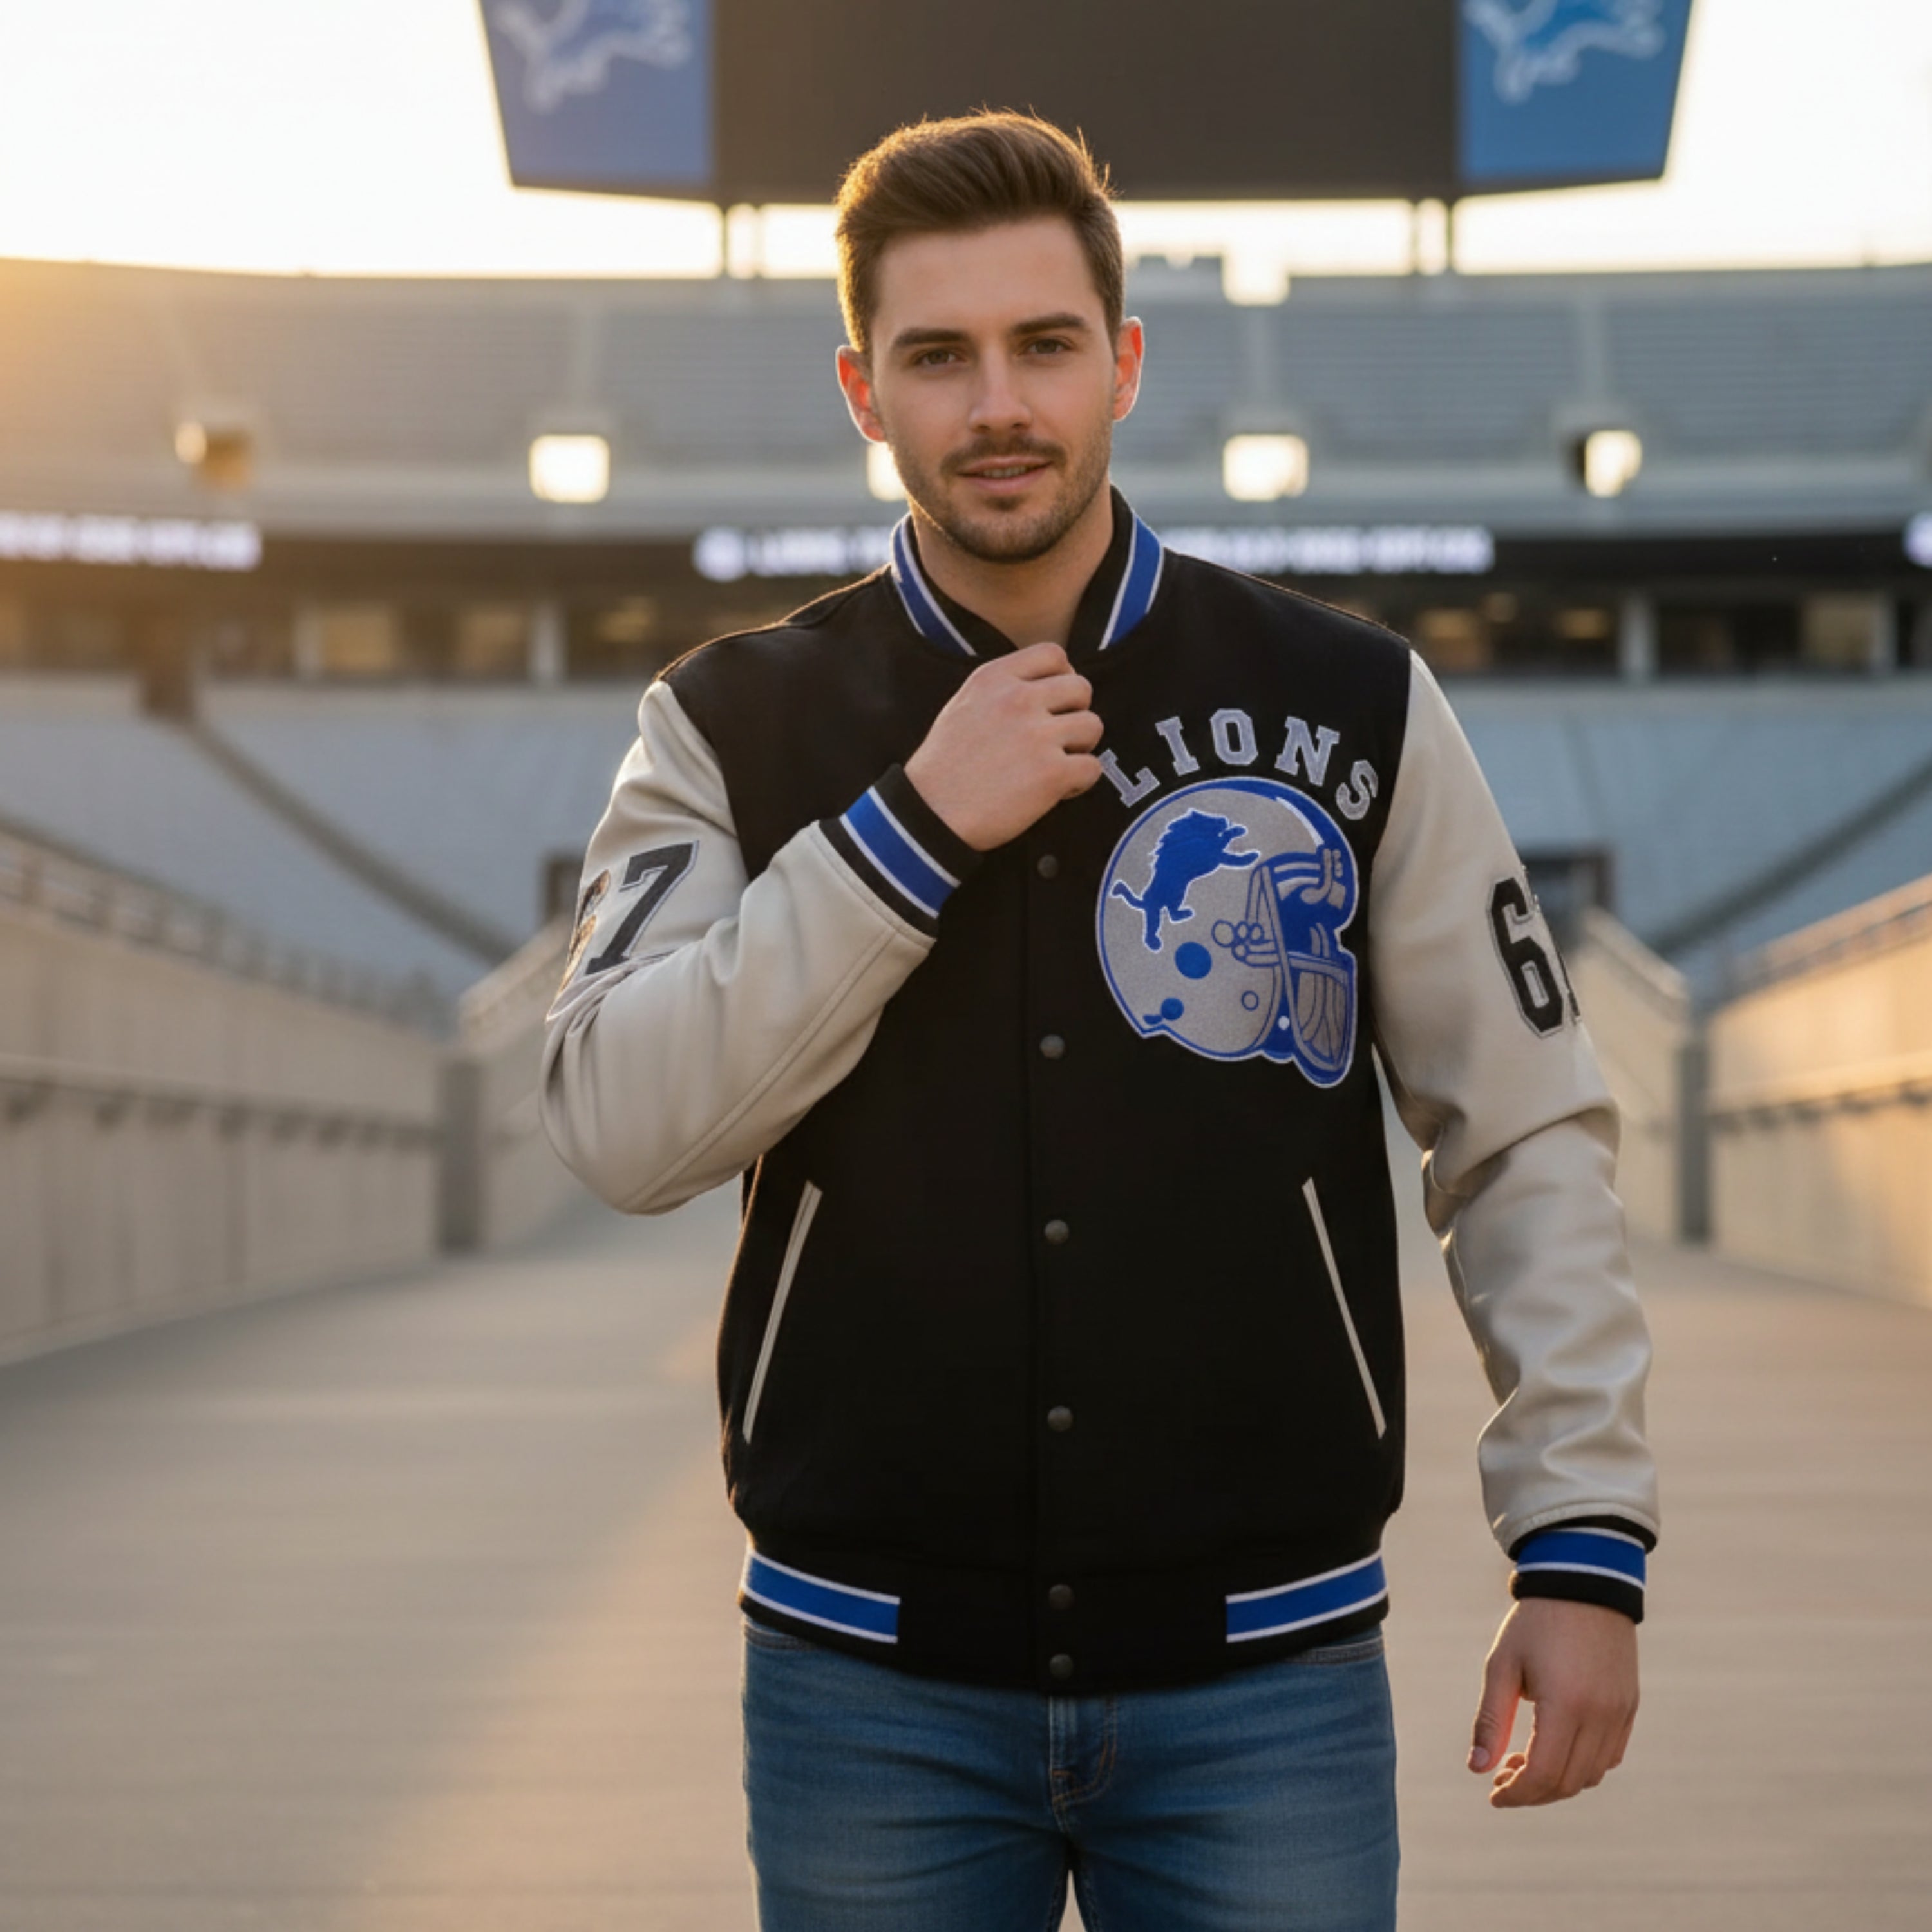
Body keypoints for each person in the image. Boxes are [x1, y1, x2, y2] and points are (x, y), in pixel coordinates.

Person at [542, 111, 1658, 1932]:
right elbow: (615, 1123)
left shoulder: (1346, 699)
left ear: (1125, 362)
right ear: (863, 391)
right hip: (867, 1681)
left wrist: (1583, 1545)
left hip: (1265, 1674)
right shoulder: (728, 724)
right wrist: (907, 834)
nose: (999, 402)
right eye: (940, 355)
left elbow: (1522, 1131)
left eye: (1045, 344)